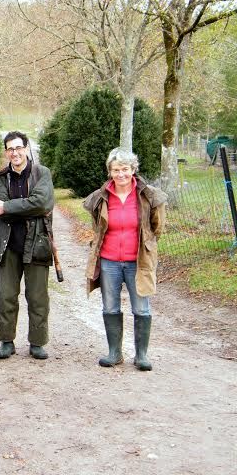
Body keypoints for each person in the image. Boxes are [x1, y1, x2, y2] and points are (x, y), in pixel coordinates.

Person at [83, 148, 167, 371]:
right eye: (116, 170)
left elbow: (156, 228)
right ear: (110, 172)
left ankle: (141, 355)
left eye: (125, 169)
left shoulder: (148, 196)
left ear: (133, 170)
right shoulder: (101, 197)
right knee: (110, 307)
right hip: (109, 261)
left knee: (141, 308)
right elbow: (98, 226)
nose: (121, 174)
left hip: (137, 261)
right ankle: (114, 353)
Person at [0, 131, 55, 360]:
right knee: (6, 295)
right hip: (8, 244)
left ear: (26, 148)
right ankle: (6, 341)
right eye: (10, 149)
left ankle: (37, 342)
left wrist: (9, 207)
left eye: (18, 147)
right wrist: (23, 208)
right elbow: (0, 211)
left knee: (38, 297)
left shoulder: (42, 174)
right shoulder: (1, 177)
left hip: (37, 243)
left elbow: (43, 203)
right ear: (6, 152)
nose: (15, 153)